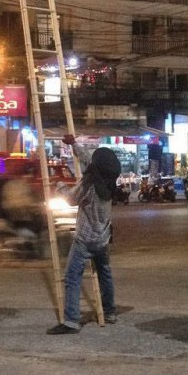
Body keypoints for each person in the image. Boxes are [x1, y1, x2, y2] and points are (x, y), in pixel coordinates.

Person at [47, 135, 120, 335]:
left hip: (85, 240)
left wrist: (59, 185)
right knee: (105, 273)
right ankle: (110, 312)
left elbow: (70, 199)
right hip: (103, 237)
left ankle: (71, 321)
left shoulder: (89, 185)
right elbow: (89, 160)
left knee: (72, 276)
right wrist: (74, 145)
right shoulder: (108, 181)